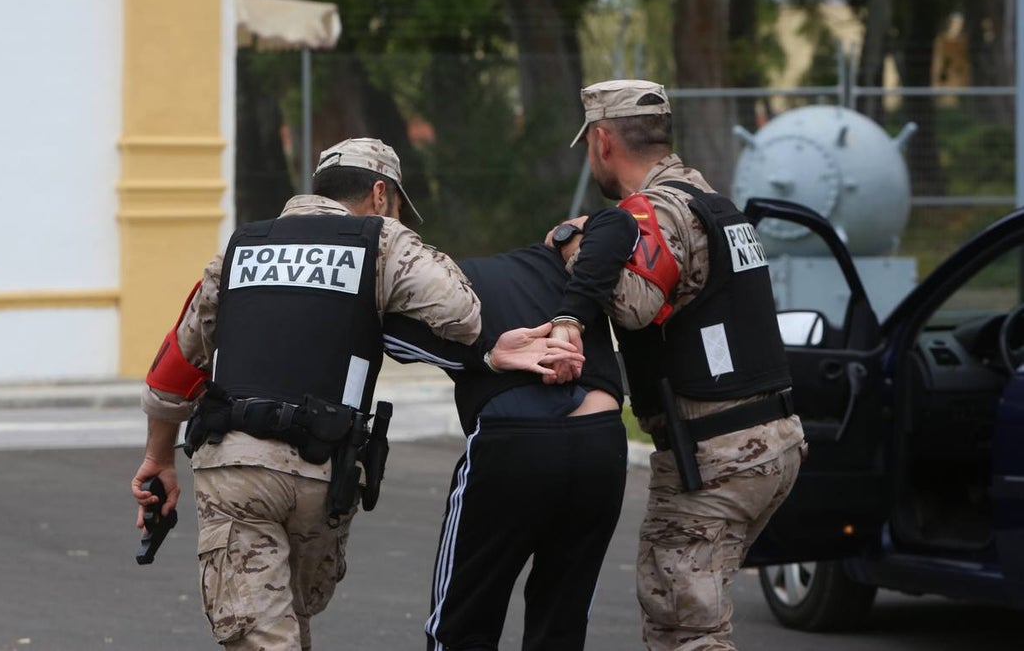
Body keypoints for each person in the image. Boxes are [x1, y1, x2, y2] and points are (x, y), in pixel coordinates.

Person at [129, 138, 573, 651]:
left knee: (264, 636)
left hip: (236, 468)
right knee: (290, 624)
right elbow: (463, 315)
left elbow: (176, 366)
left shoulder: (238, 246)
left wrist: (157, 458)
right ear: (380, 194)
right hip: (323, 473)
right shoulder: (381, 240)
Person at [564, 80, 807, 651]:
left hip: (714, 458)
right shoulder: (714, 202)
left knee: (684, 631)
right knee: (696, 612)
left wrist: (574, 247)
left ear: (603, 141)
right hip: (772, 443)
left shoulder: (656, 211)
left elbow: (633, 304)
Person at [381, 207, 639, 651]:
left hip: (513, 442)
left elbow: (383, 333)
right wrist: (570, 304)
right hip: (601, 441)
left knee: (461, 624)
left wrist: (484, 356)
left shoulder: (447, 290)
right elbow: (619, 224)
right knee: (561, 625)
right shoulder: (569, 263)